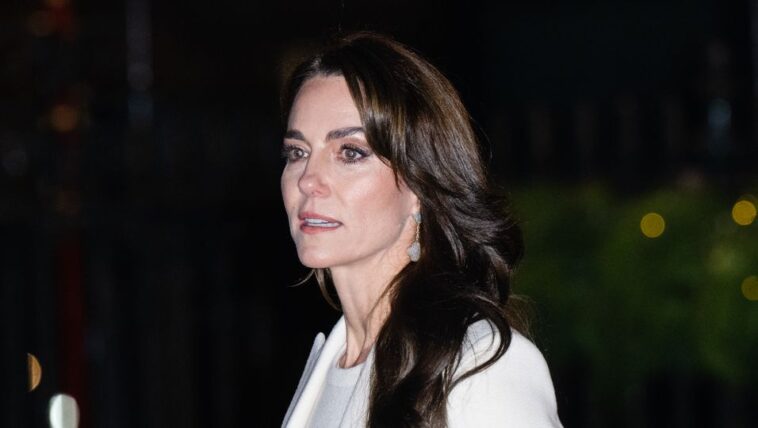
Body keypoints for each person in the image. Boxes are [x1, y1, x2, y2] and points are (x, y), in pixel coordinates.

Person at [279, 32, 562, 427]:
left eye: (350, 153)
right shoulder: (327, 367)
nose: (308, 180)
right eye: (298, 152)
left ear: (419, 186)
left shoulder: (479, 366)